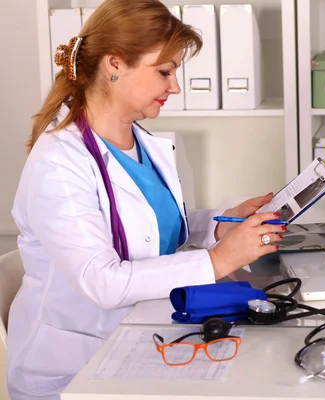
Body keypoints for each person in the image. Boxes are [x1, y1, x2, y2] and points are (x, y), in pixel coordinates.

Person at [6, 0, 285, 398]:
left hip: (141, 337)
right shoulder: (58, 162)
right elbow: (102, 283)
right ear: (115, 64)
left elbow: (150, 228)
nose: (175, 86)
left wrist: (220, 224)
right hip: (76, 372)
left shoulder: (143, 143)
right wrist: (221, 260)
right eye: (164, 72)